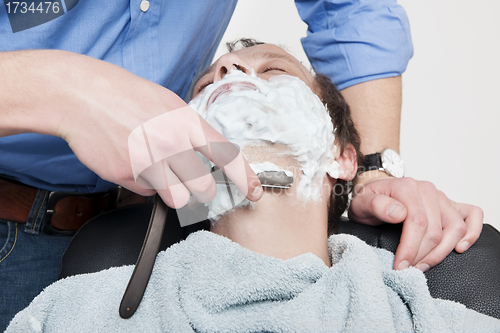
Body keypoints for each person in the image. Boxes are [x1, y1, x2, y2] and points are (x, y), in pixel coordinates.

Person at [0, 0, 483, 329]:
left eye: (272, 70)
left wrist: (375, 172)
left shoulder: (423, 317)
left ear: (341, 157)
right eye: (205, 83)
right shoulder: (68, 316)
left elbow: (352, 9)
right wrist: (61, 90)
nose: (227, 71)